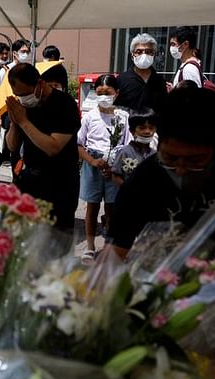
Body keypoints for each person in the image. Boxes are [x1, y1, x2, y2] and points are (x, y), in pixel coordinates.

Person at [109, 87, 215, 259]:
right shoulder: (142, 180)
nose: (180, 169)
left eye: (195, 161)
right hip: (157, 274)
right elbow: (117, 247)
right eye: (170, 158)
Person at [6, 63, 80, 231]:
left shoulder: (64, 104)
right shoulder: (23, 107)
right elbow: (12, 146)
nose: (23, 99)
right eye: (18, 95)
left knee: (56, 242)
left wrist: (24, 121)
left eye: (25, 94)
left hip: (59, 184)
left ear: (40, 83)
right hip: (30, 180)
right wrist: (15, 122)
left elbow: (53, 147)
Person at [78, 74, 131, 263]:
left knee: (112, 209)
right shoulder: (89, 117)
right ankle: (90, 246)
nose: (103, 96)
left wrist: (116, 166)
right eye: (99, 92)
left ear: (116, 93)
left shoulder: (123, 117)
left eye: (107, 93)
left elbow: (128, 146)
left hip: (114, 168)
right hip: (93, 166)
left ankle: (110, 245)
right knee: (92, 207)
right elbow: (79, 145)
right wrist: (92, 161)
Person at [114, 33, 168, 113]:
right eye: (139, 52)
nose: (144, 55)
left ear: (154, 54)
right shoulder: (121, 80)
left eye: (148, 52)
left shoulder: (159, 80)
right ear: (132, 55)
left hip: (152, 125)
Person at [111, 108, 158, 187]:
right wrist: (127, 190)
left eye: (151, 128)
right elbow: (116, 175)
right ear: (132, 131)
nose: (147, 131)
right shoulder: (124, 152)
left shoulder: (155, 154)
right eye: (142, 128)